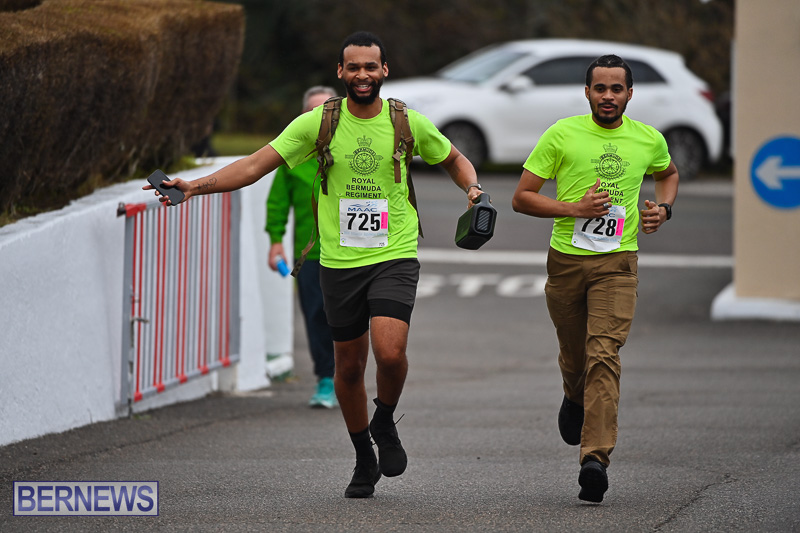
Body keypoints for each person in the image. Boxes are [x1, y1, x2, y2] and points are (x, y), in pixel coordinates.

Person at [144, 31, 485, 499]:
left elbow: (455, 158)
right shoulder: (317, 124)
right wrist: (195, 187)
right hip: (338, 260)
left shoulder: (407, 121)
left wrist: (473, 189)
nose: (362, 75)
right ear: (340, 72)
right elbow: (256, 164)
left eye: (371, 67)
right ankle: (363, 453)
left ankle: (384, 421)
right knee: (347, 367)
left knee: (389, 352)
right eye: (353, 67)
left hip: (394, 252)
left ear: (384, 71)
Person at [511, 54, 679, 503]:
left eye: (616, 89)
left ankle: (595, 459)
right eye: (600, 88)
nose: (608, 96)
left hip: (618, 264)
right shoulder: (561, 134)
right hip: (566, 261)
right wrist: (574, 209)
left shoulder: (648, 139)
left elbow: (668, 174)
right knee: (574, 354)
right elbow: (522, 198)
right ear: (587, 92)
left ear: (629, 94)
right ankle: (572, 393)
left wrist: (663, 208)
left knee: (603, 353)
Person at [266, 85, 339, 409]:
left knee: (353, 319)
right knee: (316, 316)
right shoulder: (292, 158)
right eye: (312, 112)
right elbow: (278, 203)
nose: (319, 118)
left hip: (356, 252)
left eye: (326, 111)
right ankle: (326, 379)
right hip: (310, 255)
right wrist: (275, 242)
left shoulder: (355, 150)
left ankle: (349, 377)